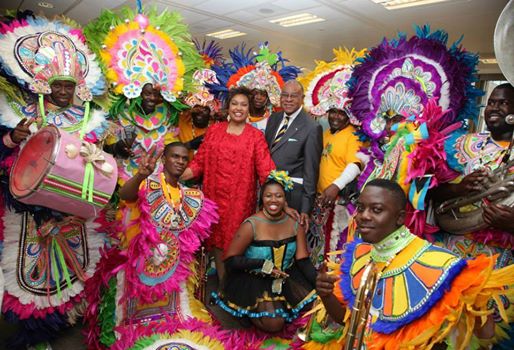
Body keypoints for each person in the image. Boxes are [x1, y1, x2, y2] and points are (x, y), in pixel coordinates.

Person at [0, 15, 109, 349]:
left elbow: (98, 160)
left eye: (69, 86)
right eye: (58, 85)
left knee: (75, 269)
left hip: (74, 210)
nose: (63, 91)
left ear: (77, 87)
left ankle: (65, 320)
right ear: (44, 84)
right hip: (30, 209)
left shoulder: (90, 119)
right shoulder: (19, 115)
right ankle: (34, 334)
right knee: (33, 269)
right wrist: (11, 139)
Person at [306, 179, 514, 349]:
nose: (363, 217)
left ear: (400, 218)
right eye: (360, 208)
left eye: (376, 210)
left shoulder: (442, 265)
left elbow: (485, 332)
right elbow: (351, 322)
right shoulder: (358, 254)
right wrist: (326, 296)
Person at [84, 142, 228, 349]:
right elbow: (125, 195)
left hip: (172, 275)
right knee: (128, 331)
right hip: (137, 269)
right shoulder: (148, 183)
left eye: (183, 158)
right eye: (174, 157)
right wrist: (141, 175)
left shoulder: (191, 196)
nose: (179, 161)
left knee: (186, 325)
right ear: (164, 160)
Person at [431, 83, 514, 348]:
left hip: (499, 260)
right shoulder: (463, 144)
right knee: (439, 327)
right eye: (492, 102)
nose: (495, 108)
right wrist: (460, 187)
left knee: (485, 333)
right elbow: (427, 191)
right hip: (451, 249)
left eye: (503, 103)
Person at [181, 86, 276, 282]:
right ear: (228, 107)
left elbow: (266, 170)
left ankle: (233, 289)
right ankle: (224, 286)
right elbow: (199, 163)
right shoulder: (214, 131)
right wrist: (174, 176)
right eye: (234, 104)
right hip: (213, 198)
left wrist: (276, 197)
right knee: (216, 241)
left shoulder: (255, 136)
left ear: (249, 108)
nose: (239, 108)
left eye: (244, 105)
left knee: (235, 242)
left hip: (239, 201)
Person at [211, 171, 317, 333]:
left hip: (286, 278)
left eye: (278, 196)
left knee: (315, 310)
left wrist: (319, 283)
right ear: (262, 198)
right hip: (254, 280)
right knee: (275, 324)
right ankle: (247, 312)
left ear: (285, 200)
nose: (273, 200)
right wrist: (262, 265)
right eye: (268, 196)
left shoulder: (295, 224)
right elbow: (231, 259)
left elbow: (302, 260)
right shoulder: (251, 225)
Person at [264, 80, 323, 227]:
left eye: (294, 96)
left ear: (302, 98)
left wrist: (306, 209)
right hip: (268, 193)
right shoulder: (274, 118)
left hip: (293, 198)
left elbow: (311, 171)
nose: (288, 100)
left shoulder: (311, 127)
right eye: (285, 95)